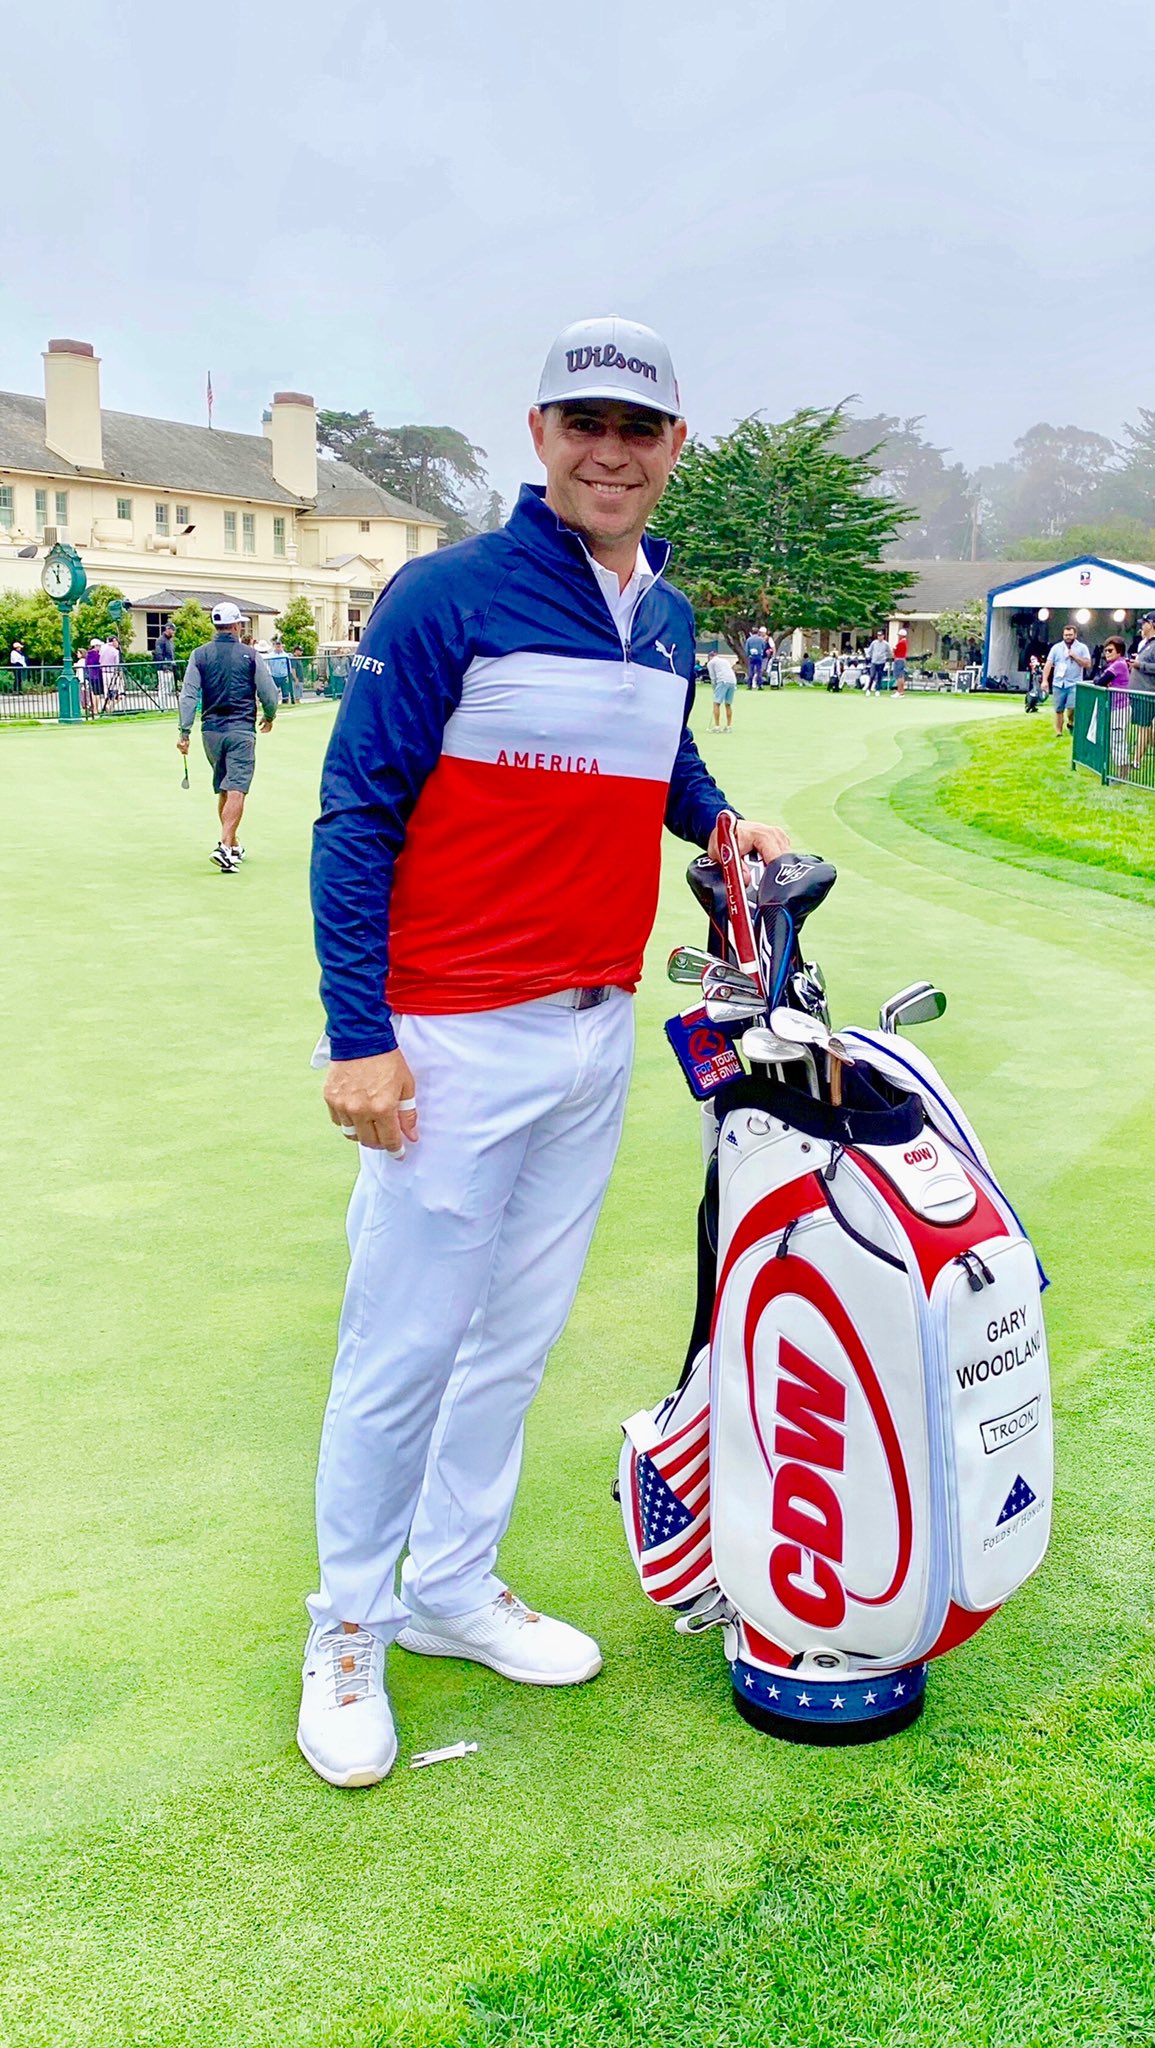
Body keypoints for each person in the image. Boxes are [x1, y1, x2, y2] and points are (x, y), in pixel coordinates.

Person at [299, 314, 791, 1789]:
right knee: (402, 1350)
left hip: (593, 1034)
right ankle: (347, 1630)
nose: (609, 451)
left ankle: (451, 1586)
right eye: (584, 423)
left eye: (638, 430)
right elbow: (356, 817)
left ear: (673, 450)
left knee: (511, 1342)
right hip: (448, 1041)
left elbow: (659, 754)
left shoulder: (670, 614)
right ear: (539, 436)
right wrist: (357, 1040)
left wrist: (721, 819)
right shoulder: (448, 593)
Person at [176, 601, 278, 870]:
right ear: (236, 625)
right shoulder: (250, 655)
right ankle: (223, 845)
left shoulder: (199, 655)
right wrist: (269, 716)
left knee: (224, 785)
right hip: (242, 730)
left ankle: (232, 844)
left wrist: (184, 732)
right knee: (237, 788)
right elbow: (268, 692)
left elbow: (188, 695)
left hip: (210, 732)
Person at [1127, 615, 1155, 775]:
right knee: (1145, 727)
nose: (1141, 627)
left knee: (1144, 727)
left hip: (1148, 691)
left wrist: (1141, 665)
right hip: (1139, 690)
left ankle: (1136, 761)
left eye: (1144, 623)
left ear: (1151, 624)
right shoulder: (1147, 643)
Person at [1042, 623, 1090, 736]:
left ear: (1075, 635)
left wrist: (1075, 656)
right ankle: (1058, 731)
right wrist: (1044, 680)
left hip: (1074, 683)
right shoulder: (1056, 648)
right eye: (1066, 635)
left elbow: (1087, 664)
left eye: (1070, 635)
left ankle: (1071, 721)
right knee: (1058, 709)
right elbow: (1049, 664)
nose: (1068, 637)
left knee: (1072, 707)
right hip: (1059, 683)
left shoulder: (1082, 648)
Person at [1098, 636, 1131, 772]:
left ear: (1119, 652)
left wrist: (1103, 681)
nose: (1107, 653)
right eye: (1105, 651)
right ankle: (1119, 770)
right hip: (1115, 707)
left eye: (1110, 650)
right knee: (1115, 739)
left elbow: (1100, 681)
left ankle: (1122, 772)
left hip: (1120, 708)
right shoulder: (1115, 665)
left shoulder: (1119, 664)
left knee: (1118, 740)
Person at [707, 647, 738, 732]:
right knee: (728, 704)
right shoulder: (725, 661)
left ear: (710, 657)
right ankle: (728, 726)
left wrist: (714, 689)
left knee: (716, 703)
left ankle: (717, 726)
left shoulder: (710, 663)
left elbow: (713, 678)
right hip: (732, 681)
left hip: (722, 681)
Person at [154, 623, 177, 708]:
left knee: (168, 689)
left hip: (169, 668)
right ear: (167, 629)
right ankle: (161, 707)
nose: (173, 631)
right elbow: (158, 654)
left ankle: (165, 706)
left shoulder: (170, 641)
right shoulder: (160, 640)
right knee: (163, 689)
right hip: (163, 669)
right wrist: (164, 667)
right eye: (172, 629)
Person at [83, 639, 105, 717]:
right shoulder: (97, 655)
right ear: (95, 646)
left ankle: (94, 708)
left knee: (93, 693)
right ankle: (96, 709)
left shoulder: (88, 655)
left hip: (90, 676)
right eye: (99, 646)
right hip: (96, 675)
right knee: (97, 693)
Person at [891, 628, 909, 695]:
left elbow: (895, 650)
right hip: (902, 659)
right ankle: (901, 691)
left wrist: (894, 650)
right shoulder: (904, 642)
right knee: (901, 676)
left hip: (899, 660)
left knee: (899, 676)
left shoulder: (901, 642)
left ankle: (899, 691)